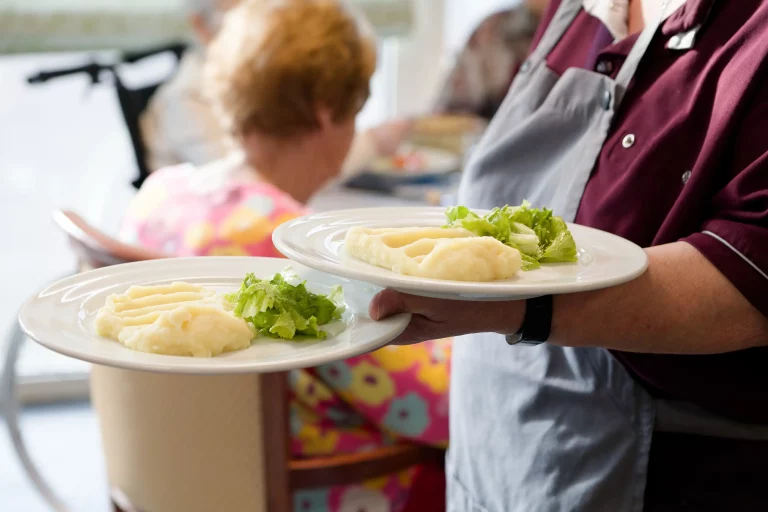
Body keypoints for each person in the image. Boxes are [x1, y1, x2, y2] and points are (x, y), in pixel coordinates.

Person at [368, 0, 768, 510]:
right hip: (491, 454)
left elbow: (745, 285)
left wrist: (510, 307)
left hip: (649, 474)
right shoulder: (577, 10)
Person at [122, 1, 449, 510]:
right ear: (326, 111)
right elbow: (434, 408)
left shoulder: (160, 194)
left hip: (176, 480)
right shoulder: (291, 249)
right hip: (310, 487)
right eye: (356, 109)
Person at [140, 0, 411, 177]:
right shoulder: (184, 98)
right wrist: (373, 143)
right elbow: (257, 178)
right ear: (200, 26)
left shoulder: (264, 76)